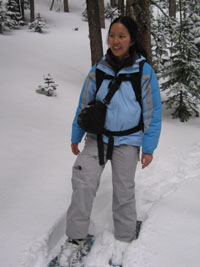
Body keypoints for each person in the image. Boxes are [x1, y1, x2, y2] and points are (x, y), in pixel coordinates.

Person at [60, 16, 162, 266]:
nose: (115, 41)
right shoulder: (99, 69)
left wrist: (148, 148)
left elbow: (153, 113)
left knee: (124, 189)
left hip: (129, 139)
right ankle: (75, 237)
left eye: (122, 36)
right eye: (112, 35)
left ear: (132, 40)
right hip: (98, 137)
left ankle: (125, 236)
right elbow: (84, 104)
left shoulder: (144, 72)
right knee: (82, 182)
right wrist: (77, 135)